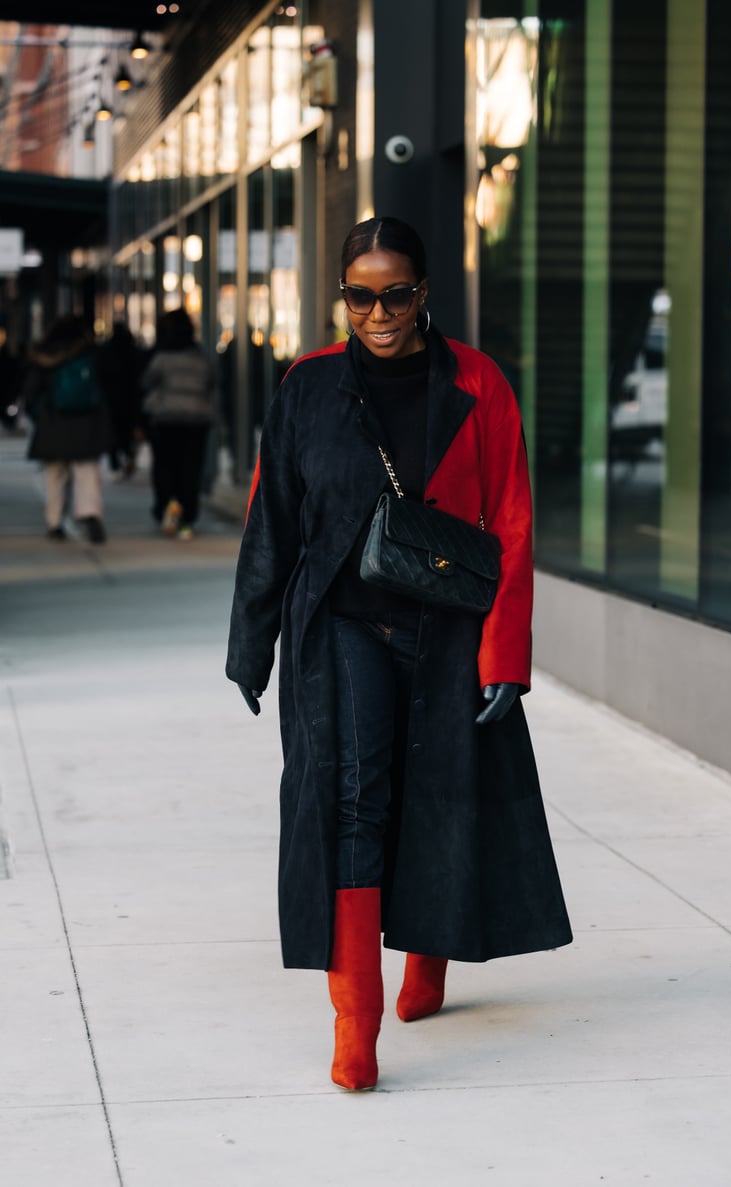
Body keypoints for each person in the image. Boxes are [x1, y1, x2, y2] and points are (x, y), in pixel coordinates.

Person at [225, 216, 572, 1091]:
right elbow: (271, 517)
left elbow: (515, 521)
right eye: (361, 294)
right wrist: (251, 643)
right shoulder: (308, 385)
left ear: (425, 293)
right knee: (352, 799)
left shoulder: (478, 382)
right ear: (342, 295)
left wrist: (505, 655)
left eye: (398, 293)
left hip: (450, 624)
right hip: (340, 620)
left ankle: (429, 959)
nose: (379, 312)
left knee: (438, 797)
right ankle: (357, 1019)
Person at [25, 313, 111, 543]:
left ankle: (54, 522)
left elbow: (31, 392)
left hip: (54, 421)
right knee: (86, 470)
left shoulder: (45, 356)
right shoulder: (89, 353)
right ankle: (90, 514)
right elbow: (106, 385)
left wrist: (39, 414)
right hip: (86, 420)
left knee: (55, 474)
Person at [141, 308, 215, 540]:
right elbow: (211, 382)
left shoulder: (161, 358)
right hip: (196, 419)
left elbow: (147, 383)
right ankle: (187, 519)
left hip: (165, 418)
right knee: (190, 468)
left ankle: (168, 505)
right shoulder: (201, 358)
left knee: (165, 466)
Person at [96, 320, 144, 479]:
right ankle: (126, 456)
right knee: (127, 431)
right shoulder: (133, 351)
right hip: (130, 398)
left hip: (112, 398)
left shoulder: (106, 351)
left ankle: (116, 463)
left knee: (114, 432)